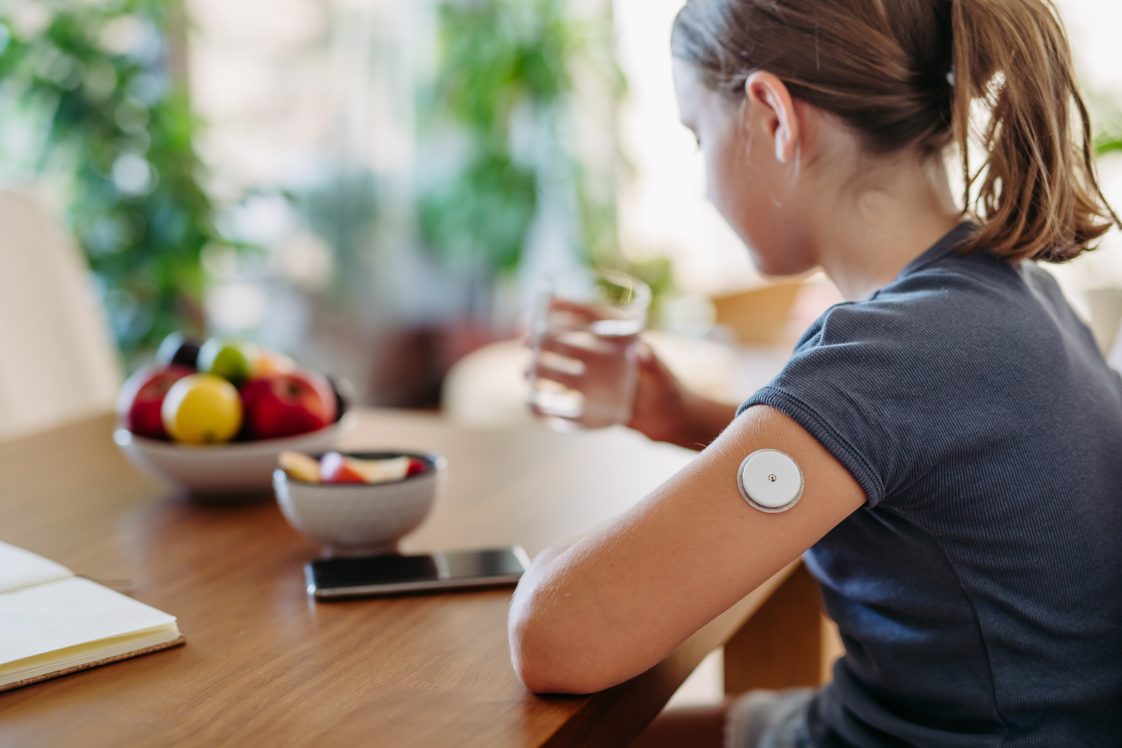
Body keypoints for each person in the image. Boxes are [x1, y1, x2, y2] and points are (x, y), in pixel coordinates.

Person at [507, 0, 1122, 746]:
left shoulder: (891, 352)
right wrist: (685, 415)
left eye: (698, 135)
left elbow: (558, 634)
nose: (702, 184)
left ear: (773, 116)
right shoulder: (1014, 293)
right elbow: (903, 462)